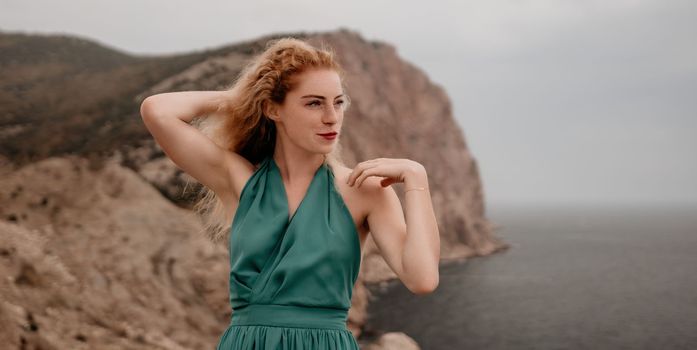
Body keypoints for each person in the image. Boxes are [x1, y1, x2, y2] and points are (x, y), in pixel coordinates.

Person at [139, 37, 440, 349]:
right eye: (314, 102)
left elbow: (422, 279)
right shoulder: (241, 180)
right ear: (273, 109)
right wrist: (247, 96)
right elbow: (157, 110)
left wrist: (416, 178)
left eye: (338, 102)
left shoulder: (363, 189)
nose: (331, 117)